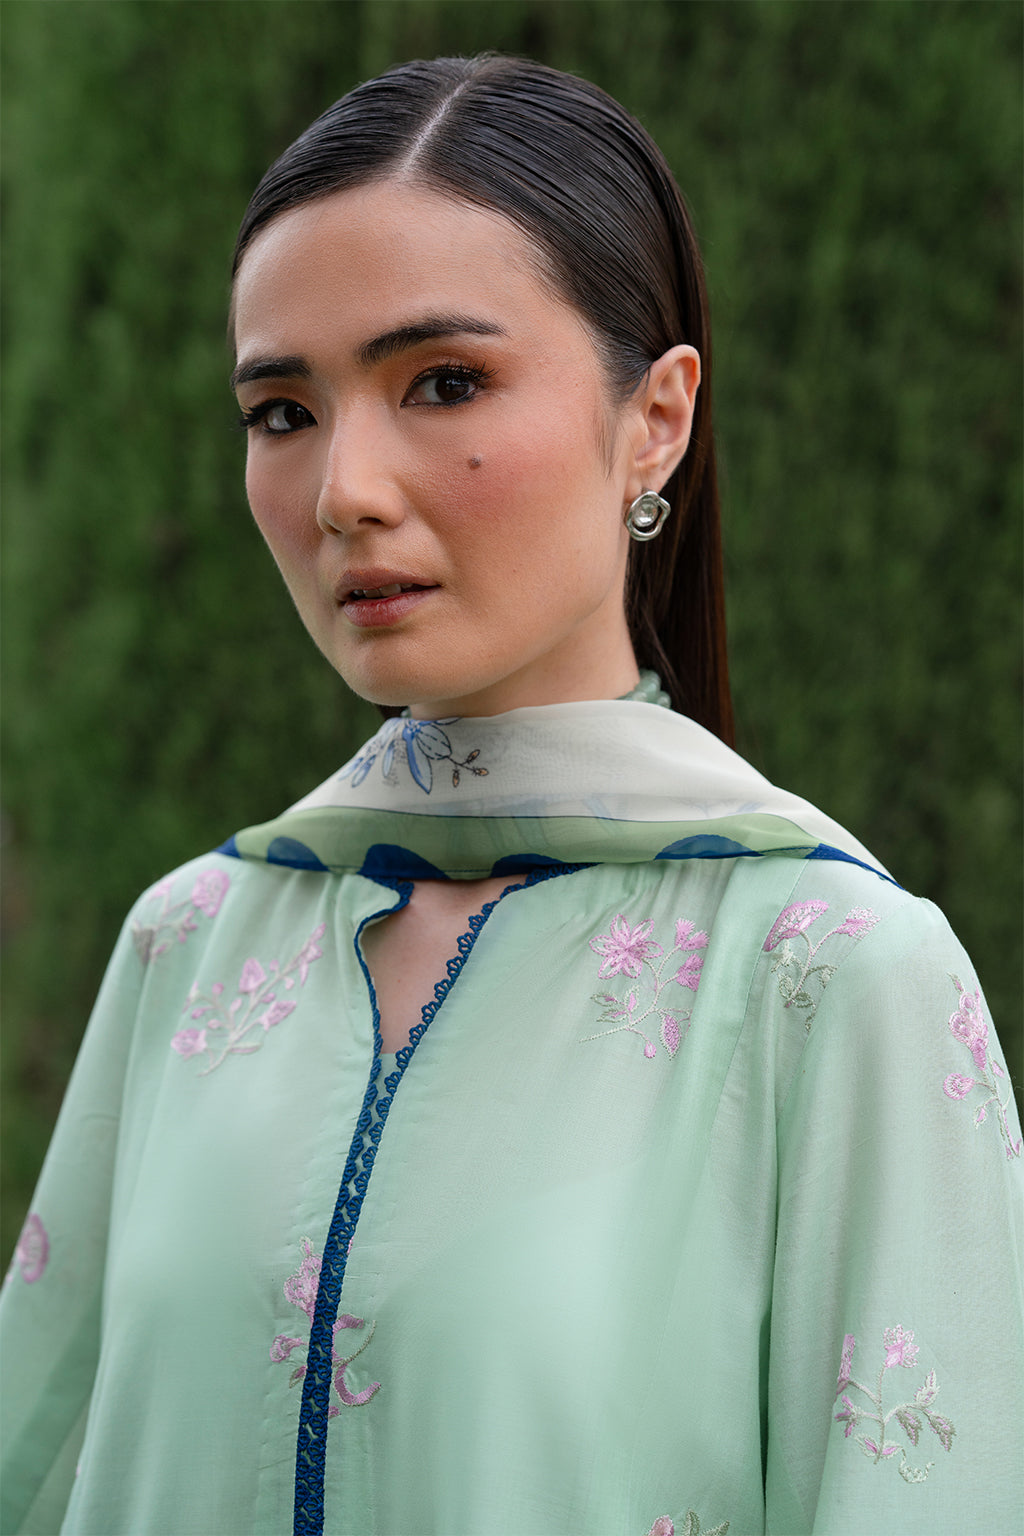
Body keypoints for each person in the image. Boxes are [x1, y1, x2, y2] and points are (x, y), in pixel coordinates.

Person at [1, 53, 1020, 1536]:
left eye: (445, 383)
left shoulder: (831, 979)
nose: (345, 484)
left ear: (655, 419)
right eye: (283, 409)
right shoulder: (190, 946)